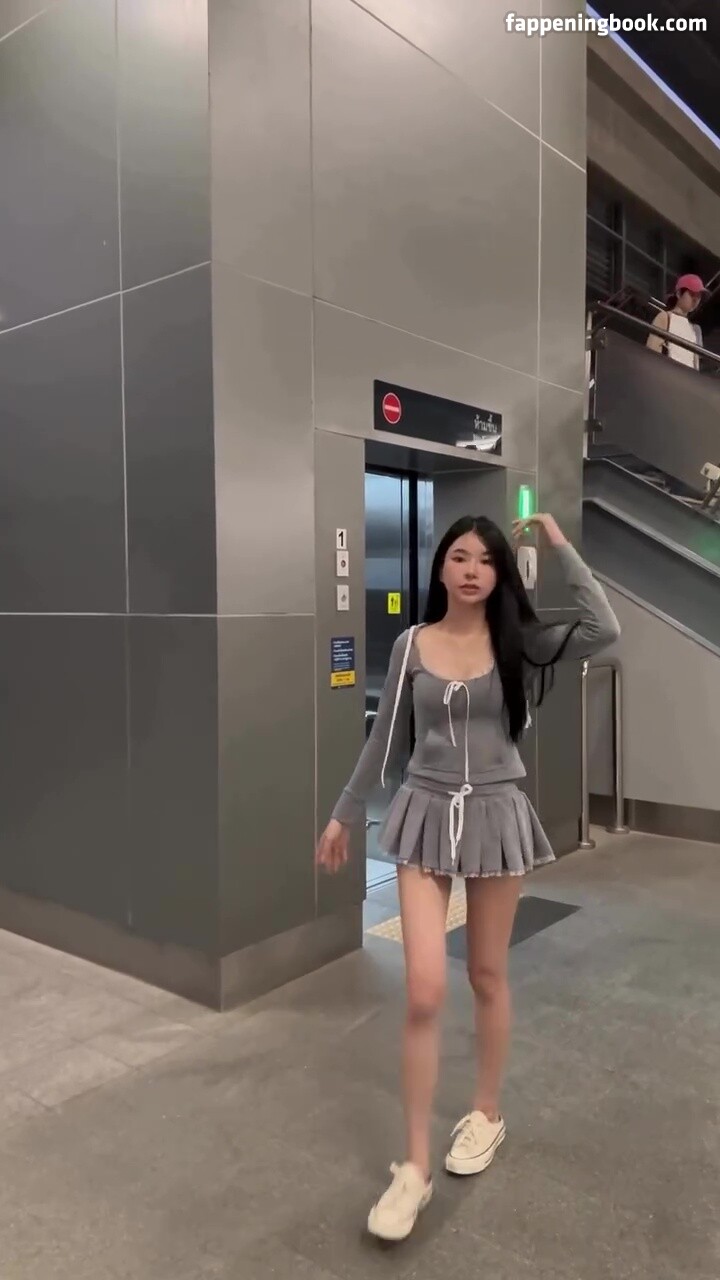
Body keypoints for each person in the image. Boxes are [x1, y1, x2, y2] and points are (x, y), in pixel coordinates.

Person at [316, 512, 620, 1243]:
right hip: (423, 813)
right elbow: (383, 738)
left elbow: (603, 627)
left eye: (486, 559)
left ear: (500, 572)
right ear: (441, 568)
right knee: (424, 988)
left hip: (495, 813)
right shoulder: (412, 644)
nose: (472, 569)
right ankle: (414, 1168)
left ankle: (486, 1112)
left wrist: (556, 540)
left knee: (486, 974)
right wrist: (343, 814)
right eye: (459, 556)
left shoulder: (521, 643)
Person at [646, 273, 708, 370]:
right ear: (679, 294)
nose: (695, 299)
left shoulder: (694, 329)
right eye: (692, 294)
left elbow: (695, 364)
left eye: (699, 296)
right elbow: (652, 350)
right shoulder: (665, 317)